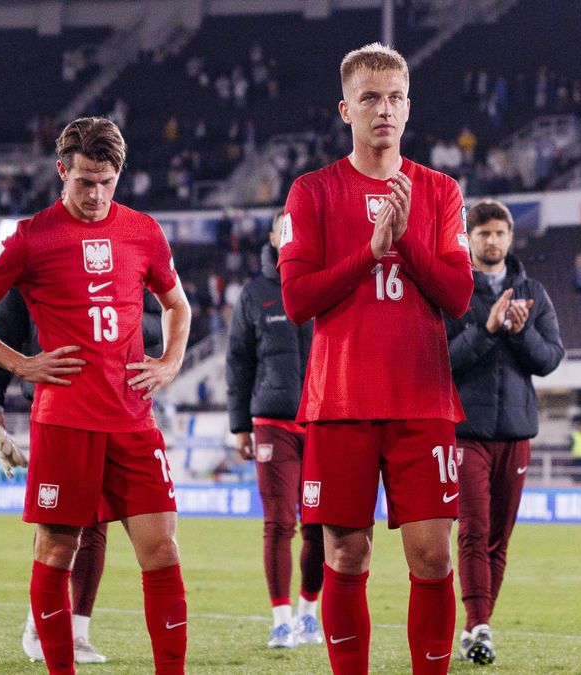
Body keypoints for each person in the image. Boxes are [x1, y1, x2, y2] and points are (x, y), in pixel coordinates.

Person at [0, 116, 191, 675]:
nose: (95, 194)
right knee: (57, 552)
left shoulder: (144, 231)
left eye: (105, 181)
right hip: (66, 422)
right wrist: (20, 364)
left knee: (162, 550)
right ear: (62, 171)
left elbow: (178, 305)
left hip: (133, 419)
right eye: (83, 181)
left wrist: (170, 362)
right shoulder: (31, 237)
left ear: (118, 175)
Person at [277, 43, 473, 675]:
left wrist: (406, 244)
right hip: (339, 402)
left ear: (408, 108)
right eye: (369, 98)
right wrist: (371, 250)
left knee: (432, 558)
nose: (383, 109)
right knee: (346, 556)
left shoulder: (441, 191)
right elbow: (298, 298)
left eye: (393, 98)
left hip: (423, 400)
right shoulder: (310, 192)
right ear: (346, 109)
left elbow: (459, 295)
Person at [443, 198, 563, 664]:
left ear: (511, 237)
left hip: (515, 432)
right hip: (466, 432)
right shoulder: (454, 291)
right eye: (482, 234)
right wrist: (488, 330)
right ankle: (479, 626)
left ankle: (479, 628)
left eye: (498, 233)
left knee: (499, 538)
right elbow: (442, 361)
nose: (491, 241)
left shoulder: (534, 292)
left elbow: (550, 359)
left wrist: (517, 333)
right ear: (469, 240)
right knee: (473, 531)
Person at [0, 286, 120, 665]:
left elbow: (154, 315)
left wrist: (156, 358)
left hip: (117, 403)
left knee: (98, 521)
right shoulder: (40, 245)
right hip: (57, 403)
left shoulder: (129, 244)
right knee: (58, 525)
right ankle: (40, 623)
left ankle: (79, 632)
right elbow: (3, 327)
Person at [227, 213, 325, 649]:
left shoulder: (329, 283)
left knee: (322, 526)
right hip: (271, 423)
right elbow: (238, 361)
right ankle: (281, 619)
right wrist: (239, 425)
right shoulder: (254, 294)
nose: (291, 236)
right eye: (285, 229)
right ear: (271, 238)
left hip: (325, 424)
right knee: (279, 523)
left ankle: (309, 612)